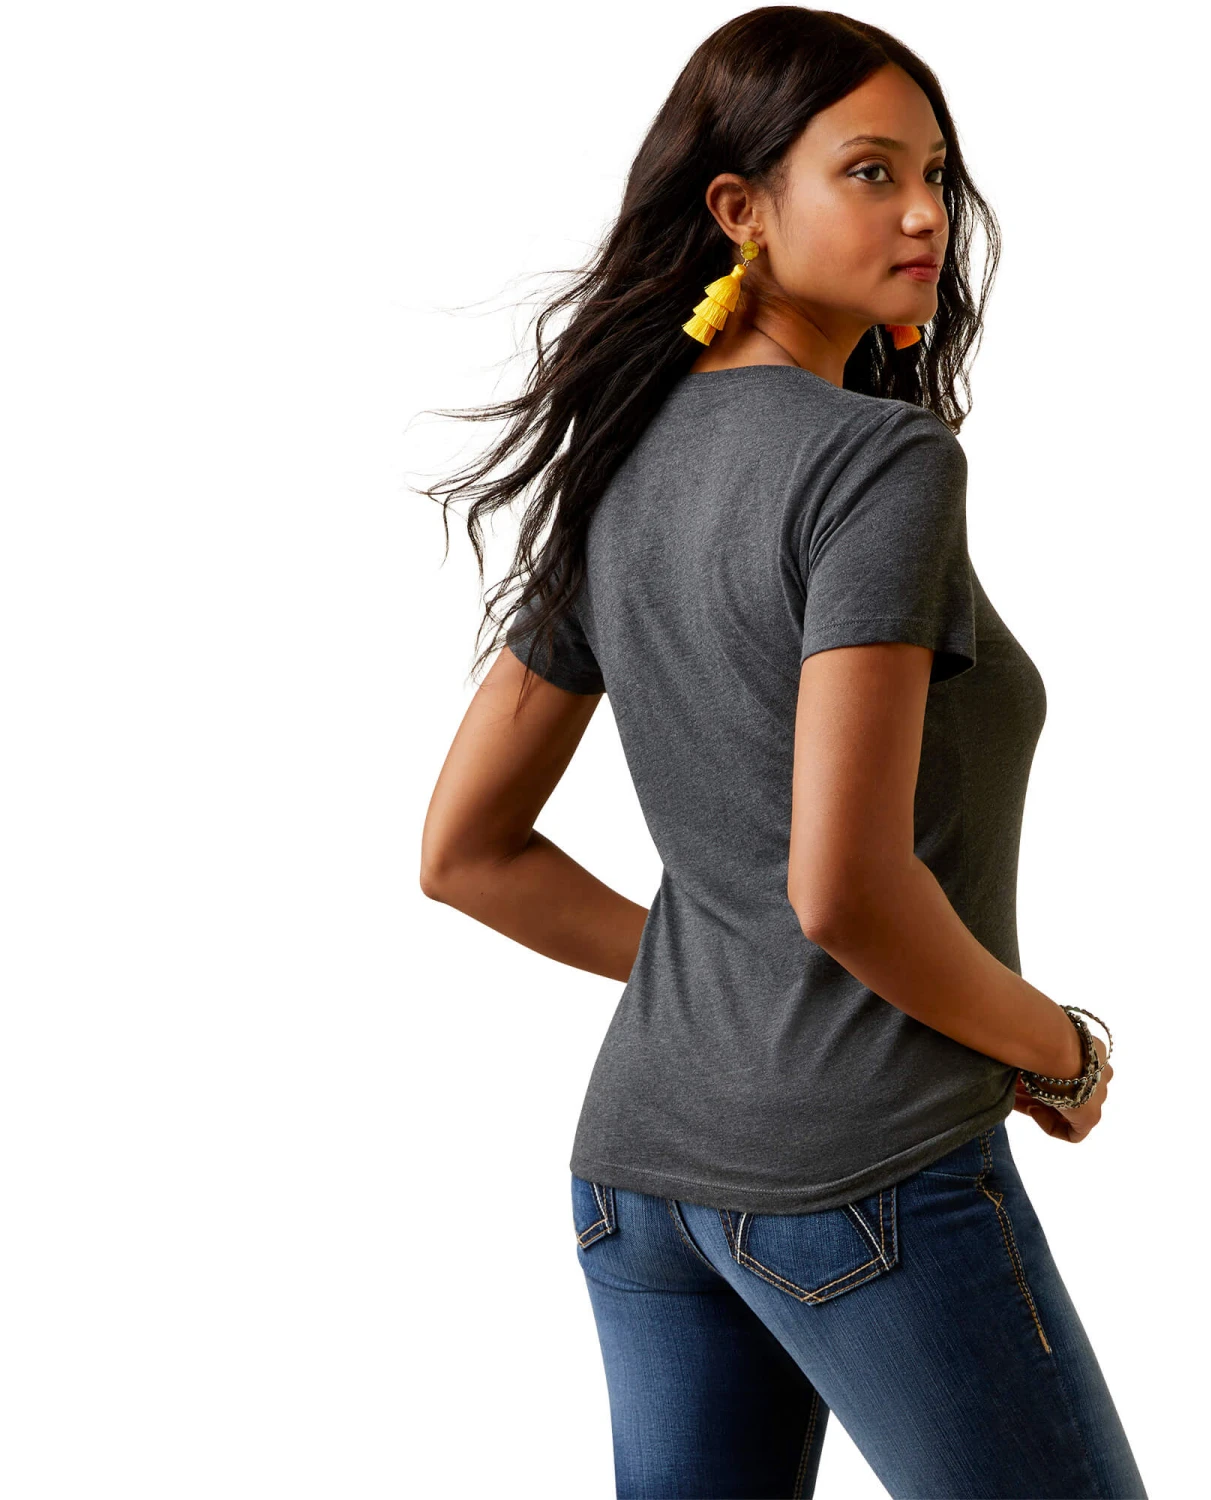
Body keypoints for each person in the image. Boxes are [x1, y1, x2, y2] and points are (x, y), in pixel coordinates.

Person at [418, 9, 1146, 1497]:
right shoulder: (880, 462)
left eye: (935, 175)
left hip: (640, 1177)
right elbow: (845, 890)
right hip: (861, 1168)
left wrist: (731, 971)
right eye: (870, 173)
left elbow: (466, 852)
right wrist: (1056, 1046)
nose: (925, 213)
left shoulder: (620, 456)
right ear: (740, 209)